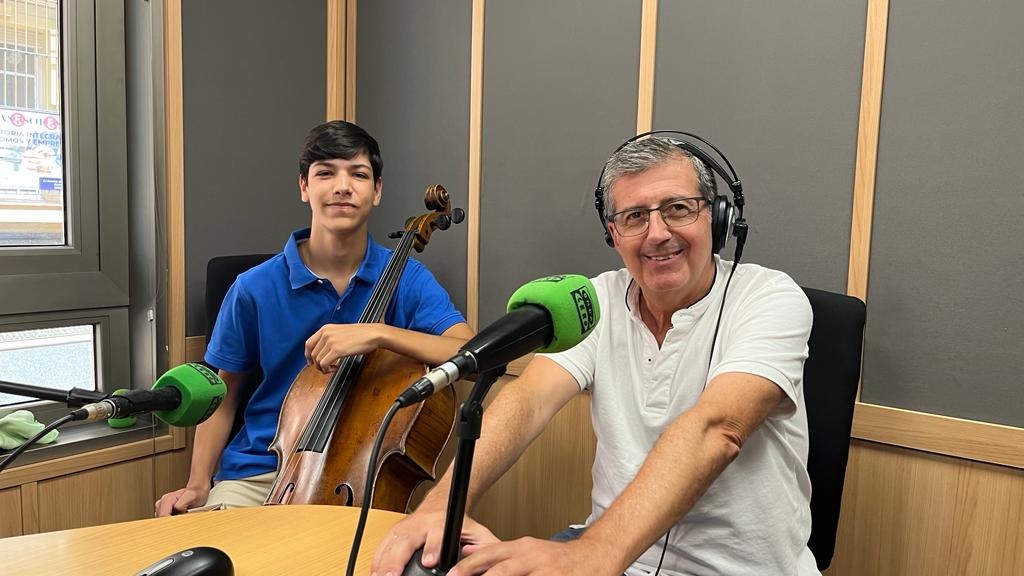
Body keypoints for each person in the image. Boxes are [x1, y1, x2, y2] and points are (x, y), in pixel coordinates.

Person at [371, 136, 817, 575]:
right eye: (634, 217)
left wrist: (591, 555)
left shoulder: (769, 298)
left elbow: (717, 429)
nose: (657, 234)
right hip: (608, 555)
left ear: (717, 218)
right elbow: (528, 401)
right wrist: (440, 508)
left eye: (678, 208)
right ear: (613, 236)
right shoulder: (595, 300)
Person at [155, 120, 474, 516]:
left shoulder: (406, 278)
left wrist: (379, 334)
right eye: (325, 173)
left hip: (359, 472)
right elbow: (225, 394)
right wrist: (198, 483)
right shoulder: (252, 288)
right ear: (304, 187)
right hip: (259, 473)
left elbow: (469, 352)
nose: (343, 186)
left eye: (359, 174)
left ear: (376, 191)